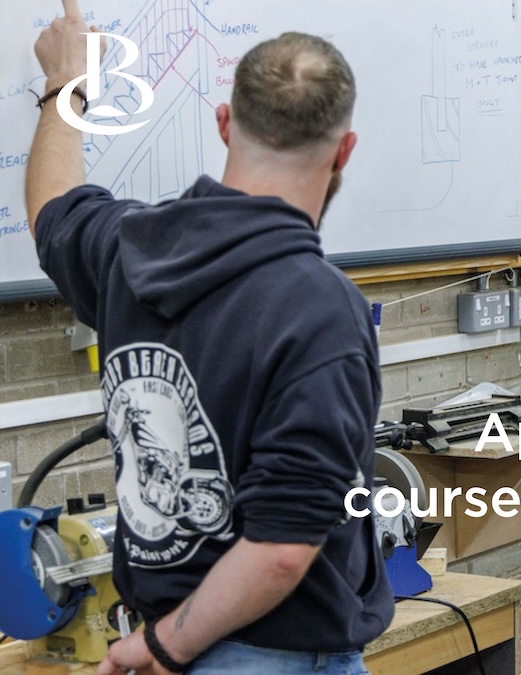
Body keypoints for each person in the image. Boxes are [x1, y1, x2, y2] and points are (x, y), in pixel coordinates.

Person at [26, 4, 393, 673]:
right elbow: (282, 548)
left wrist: (65, 87)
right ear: (345, 150)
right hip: (271, 654)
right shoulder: (322, 308)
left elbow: (52, 208)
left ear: (224, 124)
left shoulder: (128, 248)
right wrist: (169, 645)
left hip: (166, 630)